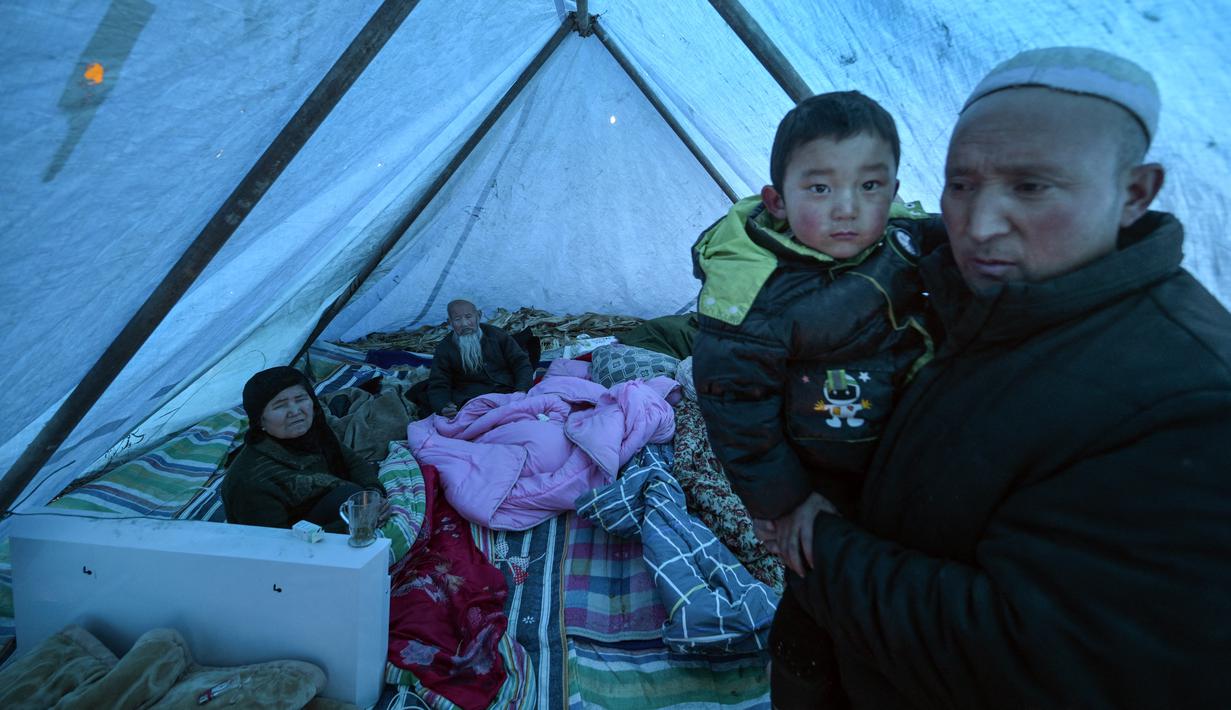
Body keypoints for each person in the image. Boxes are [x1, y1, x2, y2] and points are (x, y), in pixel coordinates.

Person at [787, 47, 1231, 708]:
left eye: (1030, 186)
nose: (977, 224)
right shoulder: (962, 299)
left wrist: (817, 547)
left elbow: (1039, 661)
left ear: (1133, 194)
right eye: (960, 184)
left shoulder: (1190, 401)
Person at [690, 91, 940, 707]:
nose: (848, 209)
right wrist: (783, 502)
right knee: (817, 598)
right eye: (821, 189)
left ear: (895, 188)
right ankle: (802, 686)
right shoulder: (757, 292)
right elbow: (735, 407)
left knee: (888, 605)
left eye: (870, 185)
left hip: (903, 463)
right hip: (823, 483)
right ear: (779, 199)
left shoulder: (905, 242)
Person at [222, 366, 384, 533]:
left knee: (353, 495)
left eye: (300, 399)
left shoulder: (316, 434)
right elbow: (275, 545)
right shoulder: (251, 481)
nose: (295, 411)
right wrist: (358, 521)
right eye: (280, 406)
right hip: (295, 542)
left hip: (325, 515)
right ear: (259, 419)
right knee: (347, 495)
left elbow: (353, 462)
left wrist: (373, 495)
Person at [425, 300, 534, 417]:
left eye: (468, 317)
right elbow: (439, 383)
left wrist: (521, 390)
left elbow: (521, 362)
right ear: (450, 322)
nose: (464, 324)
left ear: (479, 316)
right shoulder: (444, 349)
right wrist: (443, 406)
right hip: (472, 402)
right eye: (457, 319)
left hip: (508, 393)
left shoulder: (496, 335)